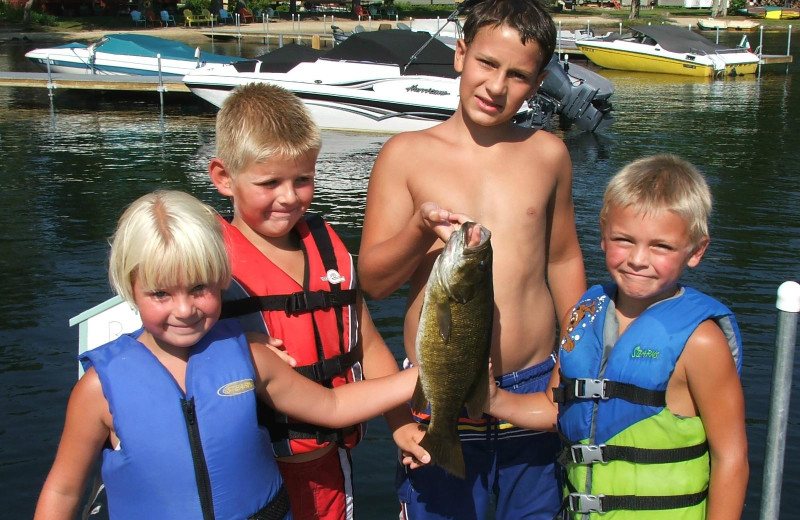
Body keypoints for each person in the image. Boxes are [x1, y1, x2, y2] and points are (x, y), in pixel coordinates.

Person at [33, 190, 419, 520]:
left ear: (221, 279)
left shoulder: (251, 355)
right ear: (130, 288)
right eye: (161, 293)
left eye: (199, 288)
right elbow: (63, 491)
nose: (184, 310)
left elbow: (333, 405)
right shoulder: (99, 389)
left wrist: (422, 375)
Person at [356, 0, 586, 518]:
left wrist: (571, 363)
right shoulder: (405, 154)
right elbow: (373, 281)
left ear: (541, 81)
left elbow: (564, 262)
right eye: (487, 63)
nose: (497, 86)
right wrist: (418, 229)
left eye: (518, 75)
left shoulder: (549, 153)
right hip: (438, 393)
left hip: (532, 392)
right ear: (460, 54)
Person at [207, 83, 429, 520]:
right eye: (269, 182)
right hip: (249, 474)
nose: (289, 197)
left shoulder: (328, 248)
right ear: (224, 178)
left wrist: (400, 422)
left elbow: (364, 342)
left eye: (302, 179)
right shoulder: (205, 263)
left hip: (331, 465)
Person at [487, 155, 748, 519]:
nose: (638, 259)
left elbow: (730, 458)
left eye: (661, 246)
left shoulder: (700, 341)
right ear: (603, 236)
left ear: (696, 251)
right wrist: (493, 399)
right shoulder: (585, 314)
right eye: (624, 240)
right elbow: (554, 410)